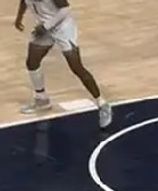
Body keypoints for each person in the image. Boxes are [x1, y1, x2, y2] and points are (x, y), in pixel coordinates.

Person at [14, 0, 112, 128]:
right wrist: (19, 18)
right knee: (32, 62)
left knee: (76, 67)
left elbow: (65, 9)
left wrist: (46, 26)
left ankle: (102, 104)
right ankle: (41, 99)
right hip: (43, 27)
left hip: (63, 28)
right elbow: (24, 1)